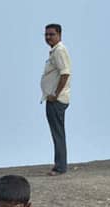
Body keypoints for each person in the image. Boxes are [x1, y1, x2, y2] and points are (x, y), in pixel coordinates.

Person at [41, 24, 72, 176]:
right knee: (57, 132)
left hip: (57, 99)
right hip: (53, 98)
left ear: (59, 34)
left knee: (58, 132)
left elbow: (65, 74)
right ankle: (59, 164)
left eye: (51, 34)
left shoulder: (59, 50)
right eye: (46, 34)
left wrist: (55, 93)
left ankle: (60, 167)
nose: (48, 37)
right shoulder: (54, 51)